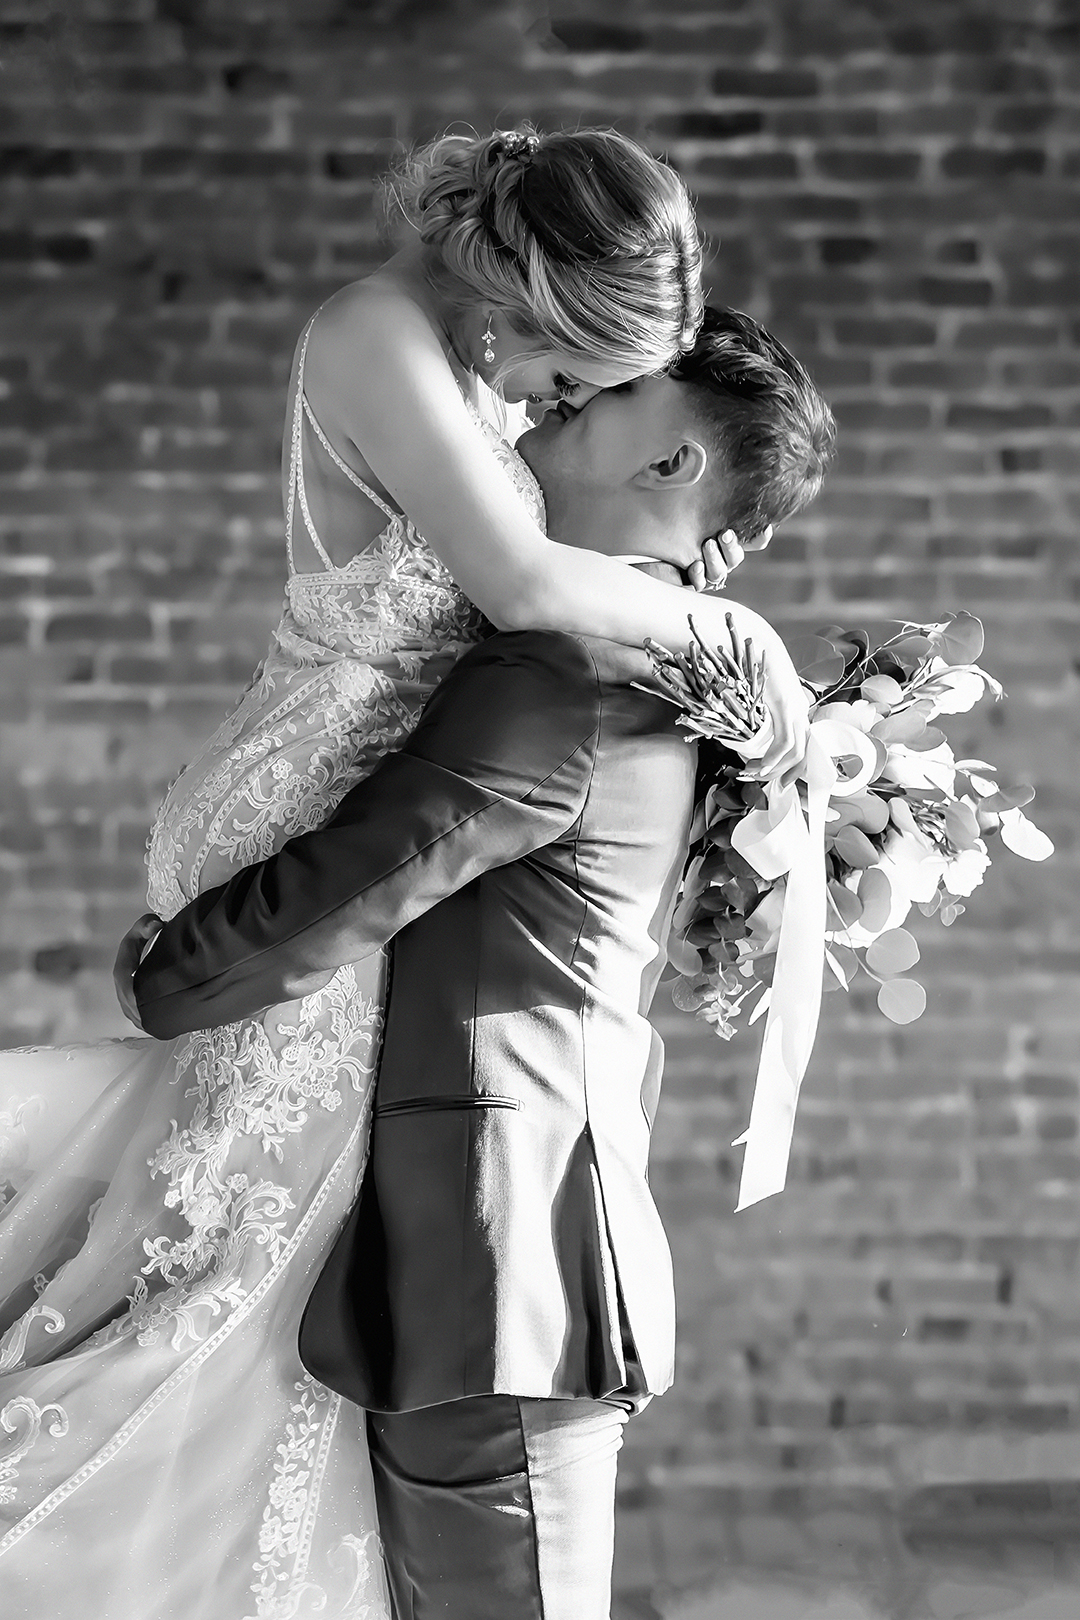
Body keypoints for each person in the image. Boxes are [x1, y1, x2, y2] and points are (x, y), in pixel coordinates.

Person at [0, 120, 807, 1618]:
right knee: (214, 1284)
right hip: (314, 823)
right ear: (535, 292)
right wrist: (736, 635)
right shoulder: (379, 335)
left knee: (227, 1294)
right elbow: (509, 588)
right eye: (578, 370)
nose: (556, 403)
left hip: (364, 886)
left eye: (592, 394)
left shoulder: (518, 485)